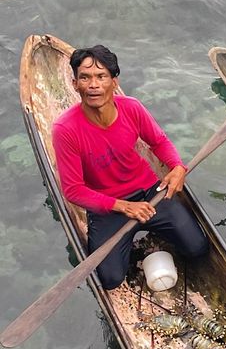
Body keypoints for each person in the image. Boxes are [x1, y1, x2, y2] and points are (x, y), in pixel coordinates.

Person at [52, 45, 208, 289]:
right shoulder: (65, 130)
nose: (93, 85)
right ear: (75, 84)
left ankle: (153, 232)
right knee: (110, 279)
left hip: (149, 193)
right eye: (85, 77)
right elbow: (73, 191)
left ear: (114, 82)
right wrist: (123, 206)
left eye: (101, 76)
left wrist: (177, 167)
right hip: (108, 207)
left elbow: (159, 141)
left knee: (198, 248)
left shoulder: (131, 108)